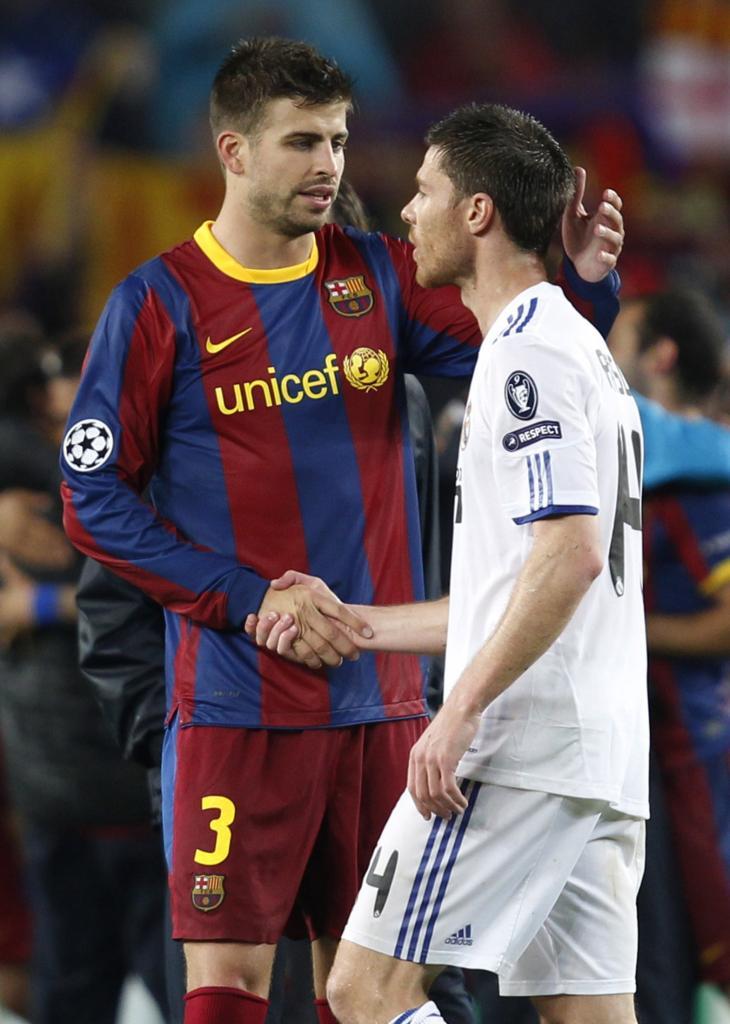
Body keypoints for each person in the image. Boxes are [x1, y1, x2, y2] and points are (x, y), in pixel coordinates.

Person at [60, 37, 624, 1024]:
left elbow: (523, 327)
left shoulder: (373, 276)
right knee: (227, 982)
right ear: (232, 151)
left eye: (337, 139)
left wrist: (580, 281)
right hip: (239, 702)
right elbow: (94, 499)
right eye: (301, 142)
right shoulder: (155, 304)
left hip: (386, 706)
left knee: (358, 988)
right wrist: (247, 600)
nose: (328, 164)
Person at [253, 102, 648, 1024]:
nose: (407, 214)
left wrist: (458, 712)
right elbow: (512, 587)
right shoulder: (579, 349)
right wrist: (355, 626)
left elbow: (571, 557)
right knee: (589, 1014)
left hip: (519, 747)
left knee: (359, 993)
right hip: (595, 754)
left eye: (426, 192)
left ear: (477, 213)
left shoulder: (528, 357)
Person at [610, 290, 730, 1010]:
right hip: (661, 746)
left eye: (619, 339)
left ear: (660, 357)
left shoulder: (699, 478)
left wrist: (621, 625)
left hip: (699, 743)